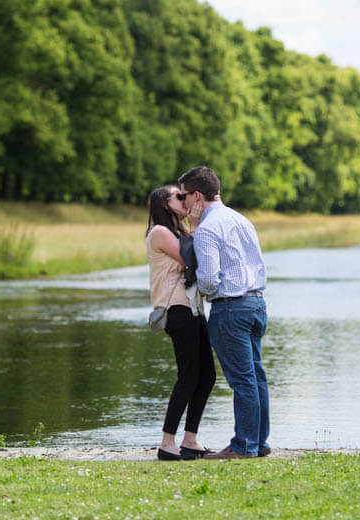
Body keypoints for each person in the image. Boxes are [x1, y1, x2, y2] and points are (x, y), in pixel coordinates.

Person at [177, 166, 270, 459]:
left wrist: (196, 290)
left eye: (184, 196)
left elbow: (208, 279)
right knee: (256, 376)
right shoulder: (242, 221)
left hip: (230, 308)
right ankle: (259, 442)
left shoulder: (207, 229)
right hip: (257, 303)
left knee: (242, 380)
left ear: (197, 195)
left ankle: (243, 446)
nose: (183, 203)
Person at [145, 185, 216, 461]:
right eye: (178, 196)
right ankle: (167, 443)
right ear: (164, 204)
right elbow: (193, 256)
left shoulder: (180, 233)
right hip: (176, 310)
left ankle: (190, 439)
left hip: (194, 310)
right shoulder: (160, 233)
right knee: (188, 376)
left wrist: (193, 225)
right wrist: (197, 222)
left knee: (207, 376)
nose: (183, 199)